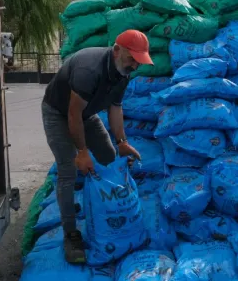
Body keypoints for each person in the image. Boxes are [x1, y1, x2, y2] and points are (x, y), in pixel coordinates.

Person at [41, 29, 154, 264]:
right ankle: (71, 234)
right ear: (116, 51)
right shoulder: (89, 68)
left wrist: (122, 142)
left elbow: (115, 107)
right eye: (131, 59)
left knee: (109, 156)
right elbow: (73, 114)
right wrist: (82, 152)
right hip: (58, 112)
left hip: (86, 113)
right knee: (68, 170)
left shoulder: (124, 73)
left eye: (139, 61)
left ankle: (105, 209)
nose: (134, 66)